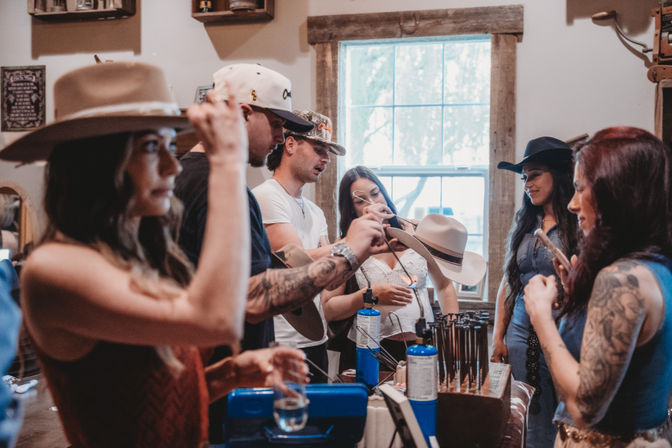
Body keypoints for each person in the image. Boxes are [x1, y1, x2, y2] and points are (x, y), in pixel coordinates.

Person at [0, 61, 308, 448]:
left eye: (168, 144)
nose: (169, 164)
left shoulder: (136, 255)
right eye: (150, 147)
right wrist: (227, 162)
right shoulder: (55, 268)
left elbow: (140, 400)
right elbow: (217, 320)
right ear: (96, 159)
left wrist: (228, 375)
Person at [174, 64, 388, 442]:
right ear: (244, 114)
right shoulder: (221, 189)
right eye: (275, 124)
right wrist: (348, 251)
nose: (279, 135)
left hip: (214, 380)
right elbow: (254, 294)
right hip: (224, 400)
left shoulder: (184, 178)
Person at [524, 127, 672, 447]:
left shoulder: (621, 281)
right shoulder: (654, 267)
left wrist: (539, 315)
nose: (572, 205)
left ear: (614, 192)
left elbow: (584, 408)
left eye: (580, 189)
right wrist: (577, 297)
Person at [322, 166, 463, 369]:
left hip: (421, 345)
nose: (372, 203)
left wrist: (453, 333)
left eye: (375, 193)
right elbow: (329, 309)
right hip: (369, 350)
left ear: (384, 194)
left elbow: (444, 286)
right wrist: (369, 295)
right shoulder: (347, 245)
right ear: (351, 209)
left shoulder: (416, 232)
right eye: (360, 200)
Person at [491, 137, 579, 448]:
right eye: (524, 177)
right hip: (518, 334)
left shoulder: (578, 225)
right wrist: (497, 335)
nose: (528, 184)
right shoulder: (527, 224)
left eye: (535, 174)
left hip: (561, 335)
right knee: (523, 412)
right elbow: (509, 280)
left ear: (558, 175)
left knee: (562, 412)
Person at [253, 110, 347, 383]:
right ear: (290, 144)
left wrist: (362, 253)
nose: (326, 159)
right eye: (319, 149)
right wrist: (350, 244)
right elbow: (297, 263)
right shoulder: (267, 196)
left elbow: (329, 281)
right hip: (281, 341)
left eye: (328, 152)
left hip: (315, 338)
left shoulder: (316, 212)